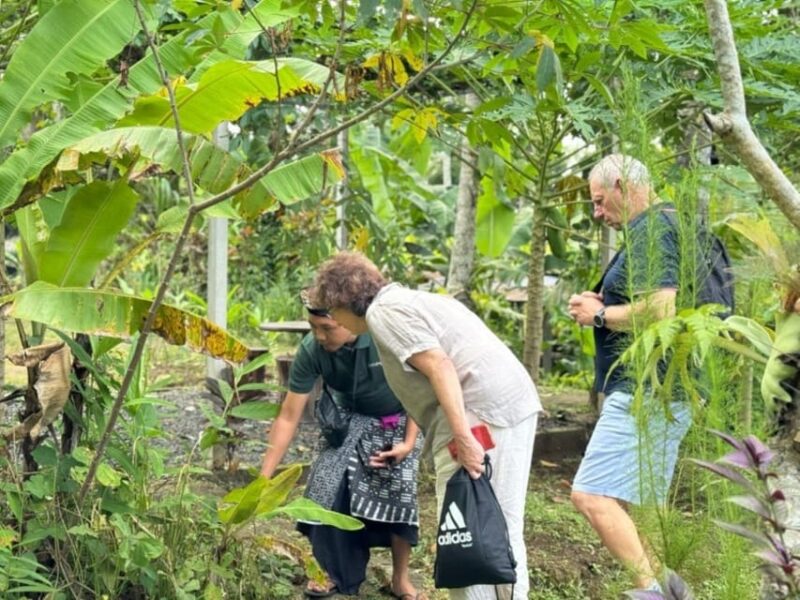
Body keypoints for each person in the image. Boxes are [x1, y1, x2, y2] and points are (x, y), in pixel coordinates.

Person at [313, 253, 542, 600]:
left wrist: (463, 438)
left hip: (480, 413)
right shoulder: (406, 299)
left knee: (464, 527)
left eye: (330, 311)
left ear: (342, 303)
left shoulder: (383, 312)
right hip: (506, 405)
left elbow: (439, 366)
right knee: (498, 524)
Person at [567, 154, 692, 591]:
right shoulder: (661, 225)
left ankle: (652, 591)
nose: (597, 213)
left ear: (622, 184)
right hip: (663, 387)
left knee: (591, 494)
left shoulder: (656, 229)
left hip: (647, 388)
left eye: (600, 201)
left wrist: (599, 315)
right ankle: (667, 588)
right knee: (643, 504)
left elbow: (662, 310)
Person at [260, 293, 424, 599]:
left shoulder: (384, 338)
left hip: (399, 421)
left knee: (400, 491)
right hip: (347, 422)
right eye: (313, 327)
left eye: (327, 328)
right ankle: (332, 572)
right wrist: (262, 480)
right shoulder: (312, 349)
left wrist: (408, 443)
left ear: (351, 321)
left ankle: (400, 578)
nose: (319, 336)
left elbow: (419, 388)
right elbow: (288, 416)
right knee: (325, 483)